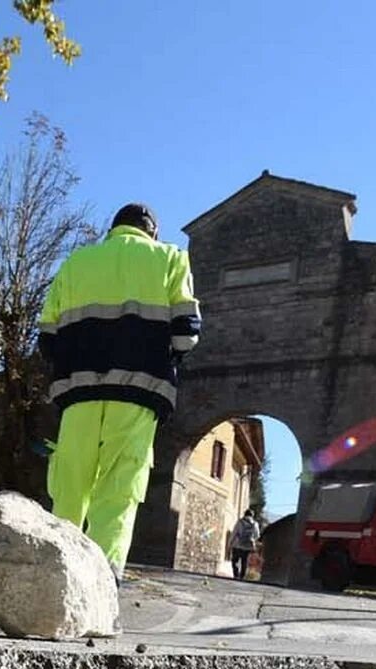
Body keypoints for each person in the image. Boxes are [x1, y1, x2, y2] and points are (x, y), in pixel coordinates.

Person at [38, 203, 201, 580]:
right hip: (138, 391)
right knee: (118, 487)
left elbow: (47, 338)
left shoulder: (76, 263)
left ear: (113, 229)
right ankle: (101, 578)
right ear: (152, 232)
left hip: (78, 392)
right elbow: (186, 333)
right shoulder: (171, 259)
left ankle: (56, 573)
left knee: (71, 483)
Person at [228, 508, 261, 580]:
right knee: (244, 561)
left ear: (245, 514)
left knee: (235, 560)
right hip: (248, 546)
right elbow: (257, 535)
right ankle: (242, 576)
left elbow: (234, 533)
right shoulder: (255, 524)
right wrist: (252, 539)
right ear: (252, 516)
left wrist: (230, 543)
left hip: (237, 545)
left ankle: (236, 575)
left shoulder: (240, 522)